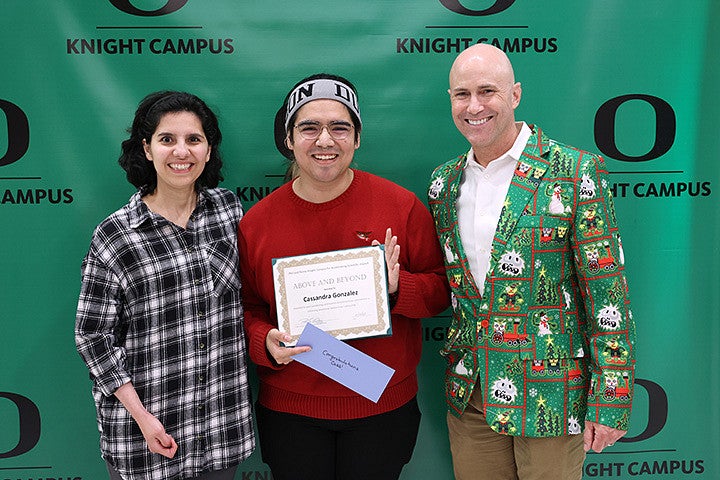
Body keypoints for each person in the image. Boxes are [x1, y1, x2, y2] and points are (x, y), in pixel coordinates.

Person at [427, 44, 637, 480]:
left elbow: (606, 293)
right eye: (461, 94)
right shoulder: (443, 182)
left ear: (516, 94)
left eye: (488, 91)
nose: (474, 106)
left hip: (551, 395)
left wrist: (611, 397)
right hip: (473, 394)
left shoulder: (574, 170)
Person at [238, 73, 450, 480]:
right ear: (289, 138)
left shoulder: (400, 207)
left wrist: (396, 286)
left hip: (381, 407)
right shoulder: (257, 222)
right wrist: (262, 339)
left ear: (357, 138)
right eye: (309, 127)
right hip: (290, 411)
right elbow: (245, 307)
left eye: (339, 127)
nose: (324, 140)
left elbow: (441, 291)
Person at [75, 91, 255, 480]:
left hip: (221, 430)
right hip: (147, 435)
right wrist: (142, 419)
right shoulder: (115, 235)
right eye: (167, 139)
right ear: (147, 148)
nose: (181, 152)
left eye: (194, 139)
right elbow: (93, 337)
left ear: (208, 150)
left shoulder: (229, 211)